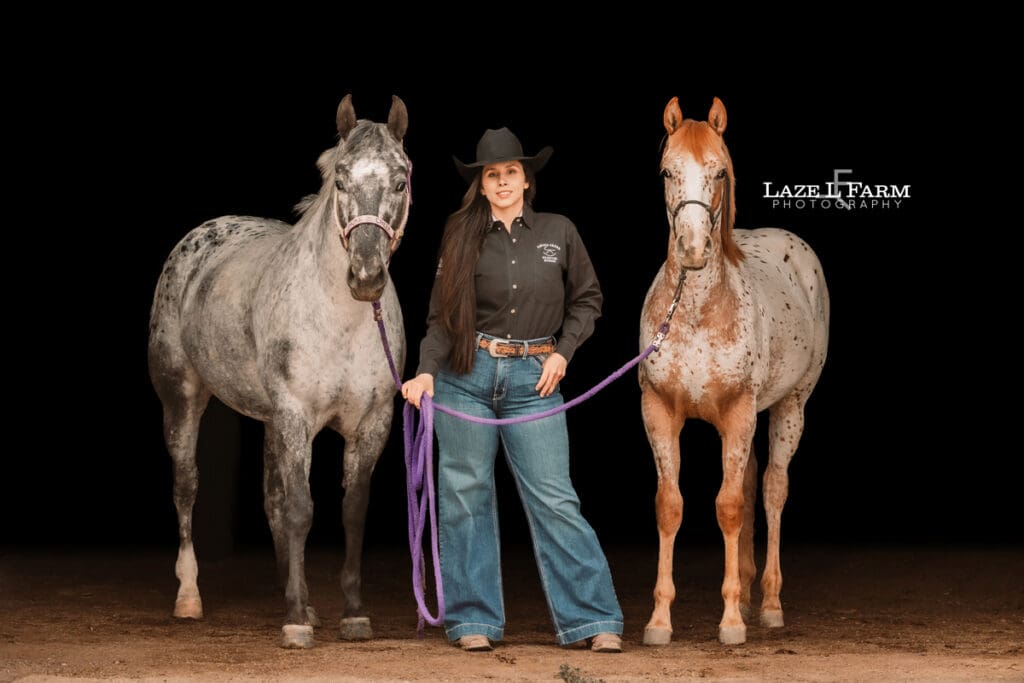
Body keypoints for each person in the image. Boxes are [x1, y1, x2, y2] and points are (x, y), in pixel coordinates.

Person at [401, 127, 623, 653]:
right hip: (465, 375)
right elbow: (438, 318)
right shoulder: (459, 234)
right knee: (464, 497)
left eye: (511, 173)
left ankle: (593, 619)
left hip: (535, 378)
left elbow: (588, 300)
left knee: (555, 498)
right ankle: (473, 619)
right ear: (481, 185)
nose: (502, 182)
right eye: (492, 175)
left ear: (527, 179)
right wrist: (426, 369)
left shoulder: (559, 231)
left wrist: (563, 351)